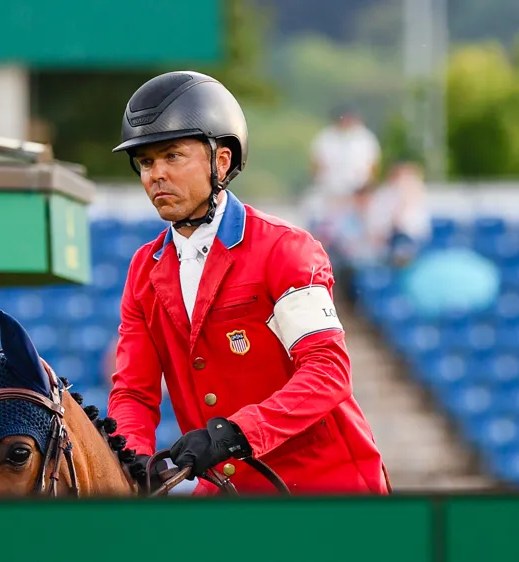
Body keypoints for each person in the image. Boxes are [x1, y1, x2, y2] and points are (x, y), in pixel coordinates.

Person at [106, 71, 389, 496]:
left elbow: (328, 372)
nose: (156, 175)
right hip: (228, 494)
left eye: (172, 156)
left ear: (221, 161)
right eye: (146, 162)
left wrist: (235, 433)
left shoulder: (286, 250)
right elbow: (133, 393)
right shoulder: (144, 270)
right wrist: (133, 461)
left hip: (326, 490)